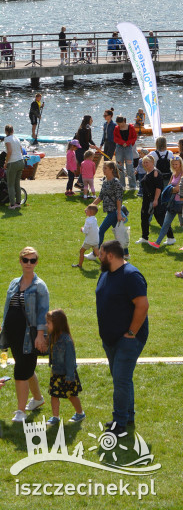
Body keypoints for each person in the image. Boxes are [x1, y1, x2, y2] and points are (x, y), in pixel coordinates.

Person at [96, 239, 149, 434]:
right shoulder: (106, 274)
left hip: (128, 339)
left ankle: (119, 423)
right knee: (122, 379)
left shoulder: (131, 276)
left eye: (101, 254)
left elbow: (142, 305)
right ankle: (128, 416)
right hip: (111, 338)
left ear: (110, 255)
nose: (99, 257)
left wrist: (131, 333)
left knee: (121, 379)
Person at [1, 247, 49, 422]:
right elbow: (8, 307)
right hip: (12, 333)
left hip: (30, 335)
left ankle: (20, 411)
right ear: (20, 261)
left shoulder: (40, 286)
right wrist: (3, 327)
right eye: (26, 260)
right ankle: (37, 399)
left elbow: (44, 312)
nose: (29, 263)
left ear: (36, 262)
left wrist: (40, 335)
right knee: (26, 367)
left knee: (21, 370)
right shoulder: (14, 282)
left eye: (33, 260)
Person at [46, 309, 85, 425]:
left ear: (57, 324)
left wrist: (69, 376)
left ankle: (80, 413)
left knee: (72, 395)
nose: (46, 325)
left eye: (48, 323)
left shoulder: (66, 340)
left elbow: (70, 360)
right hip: (56, 373)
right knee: (54, 395)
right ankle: (55, 416)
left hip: (67, 374)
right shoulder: (52, 336)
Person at [90, 161, 126, 260]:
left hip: (114, 212)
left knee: (100, 231)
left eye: (105, 168)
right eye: (103, 167)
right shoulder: (105, 180)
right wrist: (91, 205)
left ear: (111, 169)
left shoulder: (116, 182)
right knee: (119, 234)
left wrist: (119, 213)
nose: (103, 169)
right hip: (110, 211)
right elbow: (101, 196)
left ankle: (94, 254)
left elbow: (119, 198)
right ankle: (126, 254)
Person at [149, 156, 183, 248]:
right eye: (173, 164)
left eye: (176, 164)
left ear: (180, 164)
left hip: (181, 203)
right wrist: (171, 189)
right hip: (172, 203)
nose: (174, 166)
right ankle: (157, 243)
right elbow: (169, 187)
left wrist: (171, 189)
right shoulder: (173, 174)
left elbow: (177, 189)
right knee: (166, 223)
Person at [136, 155, 163, 245]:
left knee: (160, 219)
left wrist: (155, 200)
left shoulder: (156, 173)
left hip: (153, 200)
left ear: (152, 162)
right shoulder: (148, 172)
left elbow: (158, 188)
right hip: (146, 200)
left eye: (147, 162)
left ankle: (171, 237)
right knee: (144, 218)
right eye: (144, 162)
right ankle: (144, 237)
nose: (145, 164)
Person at [113, 115, 137, 190]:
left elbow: (134, 137)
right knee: (119, 166)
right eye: (118, 124)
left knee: (129, 166)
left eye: (120, 123)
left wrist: (127, 143)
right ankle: (122, 185)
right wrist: (122, 142)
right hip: (119, 147)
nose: (119, 125)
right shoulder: (116, 128)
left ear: (123, 121)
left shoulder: (131, 127)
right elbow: (115, 138)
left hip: (128, 147)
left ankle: (132, 185)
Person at [4, 124, 25, 210]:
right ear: (12, 131)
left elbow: (9, 151)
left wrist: (6, 162)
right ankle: (18, 202)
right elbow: (21, 150)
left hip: (13, 163)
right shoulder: (16, 138)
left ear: (6, 131)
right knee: (17, 183)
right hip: (21, 161)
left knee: (10, 184)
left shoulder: (7, 139)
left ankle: (12, 204)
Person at [73, 204, 100, 268]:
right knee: (98, 254)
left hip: (89, 240)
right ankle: (105, 266)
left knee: (81, 251)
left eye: (86, 210)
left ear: (90, 212)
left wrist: (82, 229)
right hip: (95, 239)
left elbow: (85, 231)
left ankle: (80, 265)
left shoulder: (88, 220)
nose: (85, 211)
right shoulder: (94, 219)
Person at [75, 115, 98, 186]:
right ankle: (79, 182)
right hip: (80, 151)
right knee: (85, 167)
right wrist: (90, 146)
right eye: (91, 120)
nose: (92, 121)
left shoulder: (88, 129)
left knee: (85, 167)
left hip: (84, 150)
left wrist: (95, 146)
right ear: (88, 120)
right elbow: (81, 142)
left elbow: (89, 139)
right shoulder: (81, 129)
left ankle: (80, 183)